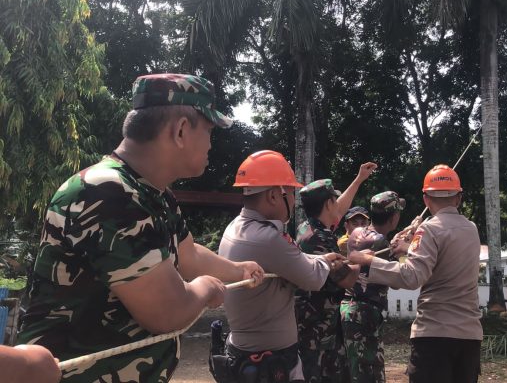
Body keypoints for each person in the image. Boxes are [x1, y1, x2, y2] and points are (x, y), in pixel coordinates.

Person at [17, 74, 265, 383]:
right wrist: (204, 289)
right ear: (181, 130)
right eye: (209, 131)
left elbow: (187, 253)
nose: (211, 144)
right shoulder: (108, 192)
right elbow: (168, 312)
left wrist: (238, 270)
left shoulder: (153, 193)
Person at [215, 150, 357, 383]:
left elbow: (298, 262)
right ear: (274, 195)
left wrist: (321, 259)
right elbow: (311, 277)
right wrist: (330, 262)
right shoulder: (268, 238)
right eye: (291, 192)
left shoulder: (236, 228)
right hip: (270, 362)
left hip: (247, 355)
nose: (293, 200)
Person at [349, 165, 483, 383]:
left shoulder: (429, 229)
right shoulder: (472, 229)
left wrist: (370, 261)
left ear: (426, 199)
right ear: (458, 198)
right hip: (469, 336)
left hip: (435, 335)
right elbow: (444, 261)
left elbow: (412, 277)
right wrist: (409, 249)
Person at [295, 167, 376, 383]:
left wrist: (359, 179)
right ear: (328, 204)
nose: (337, 205)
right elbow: (347, 279)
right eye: (334, 200)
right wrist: (360, 258)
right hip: (319, 330)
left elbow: (340, 209)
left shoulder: (307, 228)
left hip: (312, 324)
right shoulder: (320, 238)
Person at [341, 191, 406, 383]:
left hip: (349, 307)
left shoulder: (357, 233)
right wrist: (403, 251)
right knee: (369, 374)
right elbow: (395, 283)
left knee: (354, 370)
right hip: (366, 313)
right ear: (394, 217)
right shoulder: (381, 242)